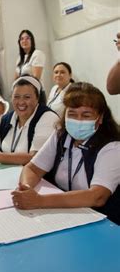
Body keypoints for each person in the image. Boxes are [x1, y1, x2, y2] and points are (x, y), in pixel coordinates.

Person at [12, 82, 120, 225]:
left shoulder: (112, 147)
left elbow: (97, 196)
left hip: (103, 220)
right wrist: (26, 189)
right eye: (72, 114)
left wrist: (39, 201)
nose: (78, 121)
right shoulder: (60, 135)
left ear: (99, 118)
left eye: (86, 115)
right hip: (65, 214)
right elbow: (33, 168)